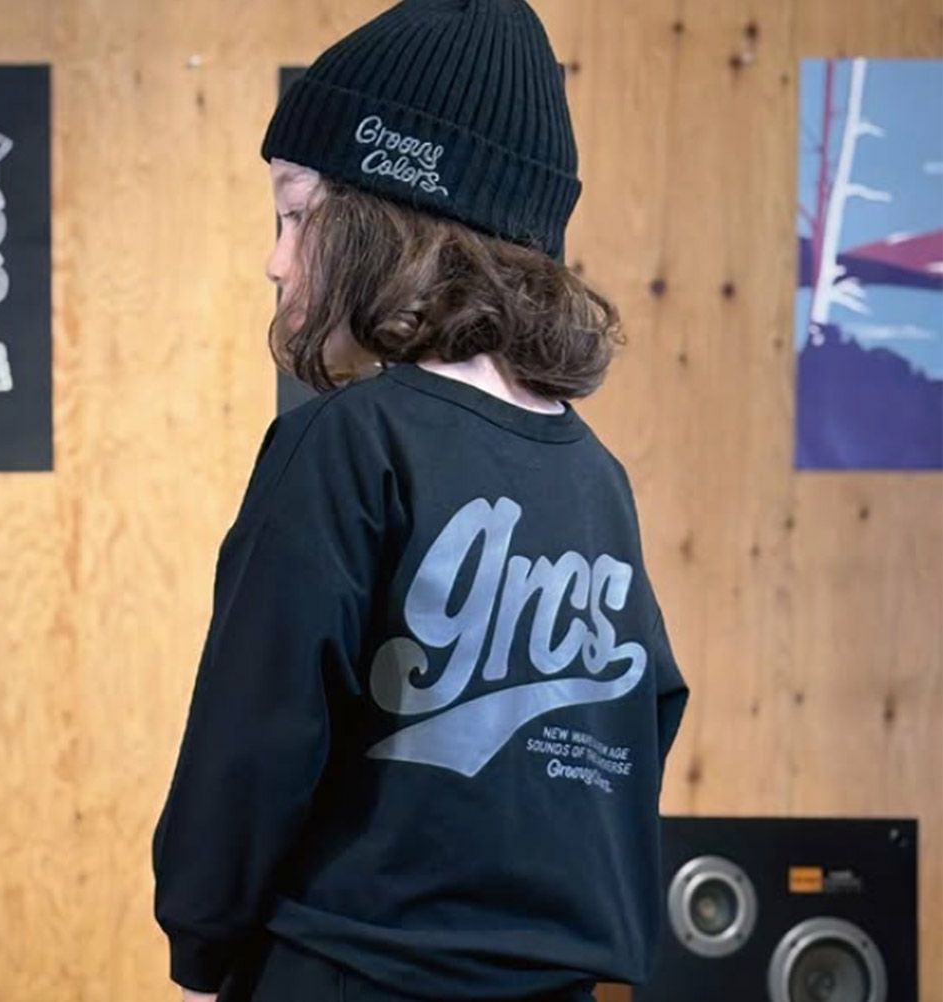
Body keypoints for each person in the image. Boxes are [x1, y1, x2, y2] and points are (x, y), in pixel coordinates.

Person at [151, 1, 691, 1001]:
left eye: (295, 213)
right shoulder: (595, 477)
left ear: (382, 219)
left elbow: (254, 736)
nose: (276, 259)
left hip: (349, 969)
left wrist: (199, 950)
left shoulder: (348, 444)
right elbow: (641, 720)